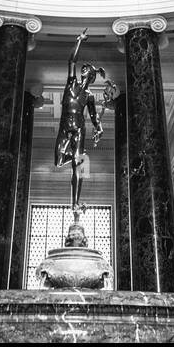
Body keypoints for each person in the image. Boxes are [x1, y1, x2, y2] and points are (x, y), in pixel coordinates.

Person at [54, 30, 107, 212]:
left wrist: (99, 128)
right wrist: (79, 41)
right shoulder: (71, 83)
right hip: (64, 128)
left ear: (91, 76)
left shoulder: (89, 96)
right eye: (83, 68)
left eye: (87, 69)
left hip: (78, 129)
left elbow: (93, 116)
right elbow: (72, 61)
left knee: (77, 166)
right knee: (59, 161)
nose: (83, 69)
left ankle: (75, 203)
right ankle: (79, 159)